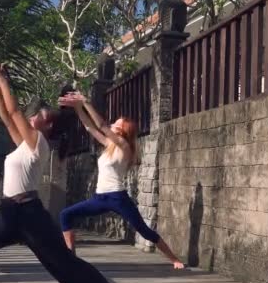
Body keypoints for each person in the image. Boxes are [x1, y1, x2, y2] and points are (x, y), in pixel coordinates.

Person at [0, 57, 121, 283]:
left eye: (35, 116)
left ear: (45, 124)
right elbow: (7, 117)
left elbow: (14, 111)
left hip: (30, 215)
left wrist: (3, 80)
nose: (29, 118)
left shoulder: (38, 142)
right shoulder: (23, 146)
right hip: (10, 215)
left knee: (60, 259)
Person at [58, 92, 185, 270]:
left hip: (117, 197)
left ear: (122, 131)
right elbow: (90, 128)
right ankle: (71, 257)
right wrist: (78, 108)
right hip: (99, 198)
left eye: (116, 125)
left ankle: (174, 259)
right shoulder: (109, 146)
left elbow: (101, 125)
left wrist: (86, 101)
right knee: (66, 215)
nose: (112, 125)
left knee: (144, 230)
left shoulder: (125, 147)